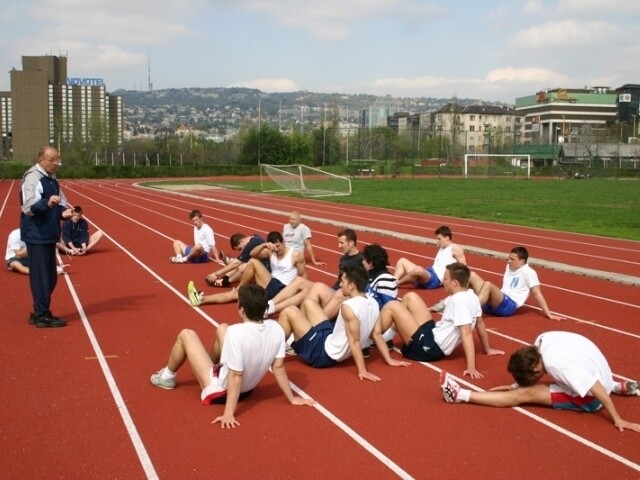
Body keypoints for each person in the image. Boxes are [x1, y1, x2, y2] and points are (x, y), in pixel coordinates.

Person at [150, 284, 314, 428]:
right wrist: (291, 399)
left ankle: (167, 377)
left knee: (186, 335)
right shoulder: (276, 328)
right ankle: (209, 365)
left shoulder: (235, 332)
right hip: (248, 389)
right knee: (222, 327)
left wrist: (229, 413)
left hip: (222, 391)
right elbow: (278, 367)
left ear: (241, 309)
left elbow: (236, 375)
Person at [439, 331, 640, 433]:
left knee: (523, 395)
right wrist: (514, 383)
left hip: (593, 396)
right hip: (602, 369)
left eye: (530, 378)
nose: (531, 381)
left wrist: (618, 419)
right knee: (521, 388)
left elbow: (594, 386)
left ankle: (460, 395)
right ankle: (616, 385)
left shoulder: (557, 364)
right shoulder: (542, 341)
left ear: (535, 368)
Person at [373, 263, 503, 377]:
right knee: (410, 297)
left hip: (429, 349)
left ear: (455, 283)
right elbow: (480, 323)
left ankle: (371, 338)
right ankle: (386, 338)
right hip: (434, 333)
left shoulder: (459, 301)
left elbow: (466, 333)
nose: (443, 281)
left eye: (445, 279)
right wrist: (487, 349)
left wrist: (471, 367)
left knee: (392, 306)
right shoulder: (472, 295)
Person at [277, 263, 381, 381]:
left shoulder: (349, 306)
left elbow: (354, 341)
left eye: (342, 281)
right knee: (308, 303)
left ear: (351, 286)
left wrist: (363, 371)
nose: (340, 284)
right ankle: (296, 339)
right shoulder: (373, 302)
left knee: (289, 311)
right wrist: (389, 360)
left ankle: (274, 353)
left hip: (322, 354)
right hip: (329, 338)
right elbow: (377, 334)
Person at [20, 146, 73, 328]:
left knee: (50, 277)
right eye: (52, 160)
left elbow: (60, 202)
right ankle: (41, 314)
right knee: (42, 277)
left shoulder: (51, 179)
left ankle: (40, 311)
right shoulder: (33, 178)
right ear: (41, 159)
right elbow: (28, 207)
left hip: (48, 233)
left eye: (58, 160)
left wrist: (63, 212)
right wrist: (47, 203)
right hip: (37, 234)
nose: (56, 164)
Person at [264, 228, 362, 318]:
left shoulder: (361, 260)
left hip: (341, 295)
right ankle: (270, 305)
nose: (339, 246)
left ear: (351, 243)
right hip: (333, 290)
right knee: (299, 281)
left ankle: (271, 309)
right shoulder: (343, 258)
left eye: (341, 243)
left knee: (314, 288)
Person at [189, 231, 306, 306]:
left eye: (278, 246)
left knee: (250, 267)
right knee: (236, 293)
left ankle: (240, 289)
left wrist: (297, 294)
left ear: (283, 241)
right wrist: (263, 245)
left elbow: (303, 276)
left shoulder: (296, 255)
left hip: (282, 288)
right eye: (273, 247)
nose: (276, 249)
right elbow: (253, 254)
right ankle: (200, 299)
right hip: (270, 283)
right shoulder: (271, 252)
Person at [467, 246, 564, 321]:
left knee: (488, 285)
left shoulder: (529, 272)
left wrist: (549, 314)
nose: (509, 261)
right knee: (471, 275)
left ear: (522, 261)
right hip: (494, 304)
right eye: (509, 258)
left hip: (508, 306)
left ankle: (469, 311)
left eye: (512, 259)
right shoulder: (509, 266)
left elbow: (537, 294)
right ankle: (459, 303)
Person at [393, 225, 466, 289]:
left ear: (447, 238)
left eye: (439, 239)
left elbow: (464, 268)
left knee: (417, 270)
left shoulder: (455, 249)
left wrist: (452, 280)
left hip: (435, 279)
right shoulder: (442, 247)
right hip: (430, 272)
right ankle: (393, 280)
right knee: (402, 261)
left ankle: (396, 283)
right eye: (436, 239)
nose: (436, 241)